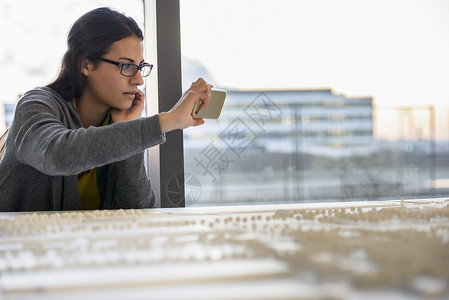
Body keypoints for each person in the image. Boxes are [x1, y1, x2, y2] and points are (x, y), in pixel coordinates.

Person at [0, 7, 211, 212]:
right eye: (126, 66)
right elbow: (59, 155)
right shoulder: (35, 105)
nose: (138, 80)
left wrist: (127, 128)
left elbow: (138, 211)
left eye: (140, 67)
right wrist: (167, 120)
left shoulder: (115, 126)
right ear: (86, 65)